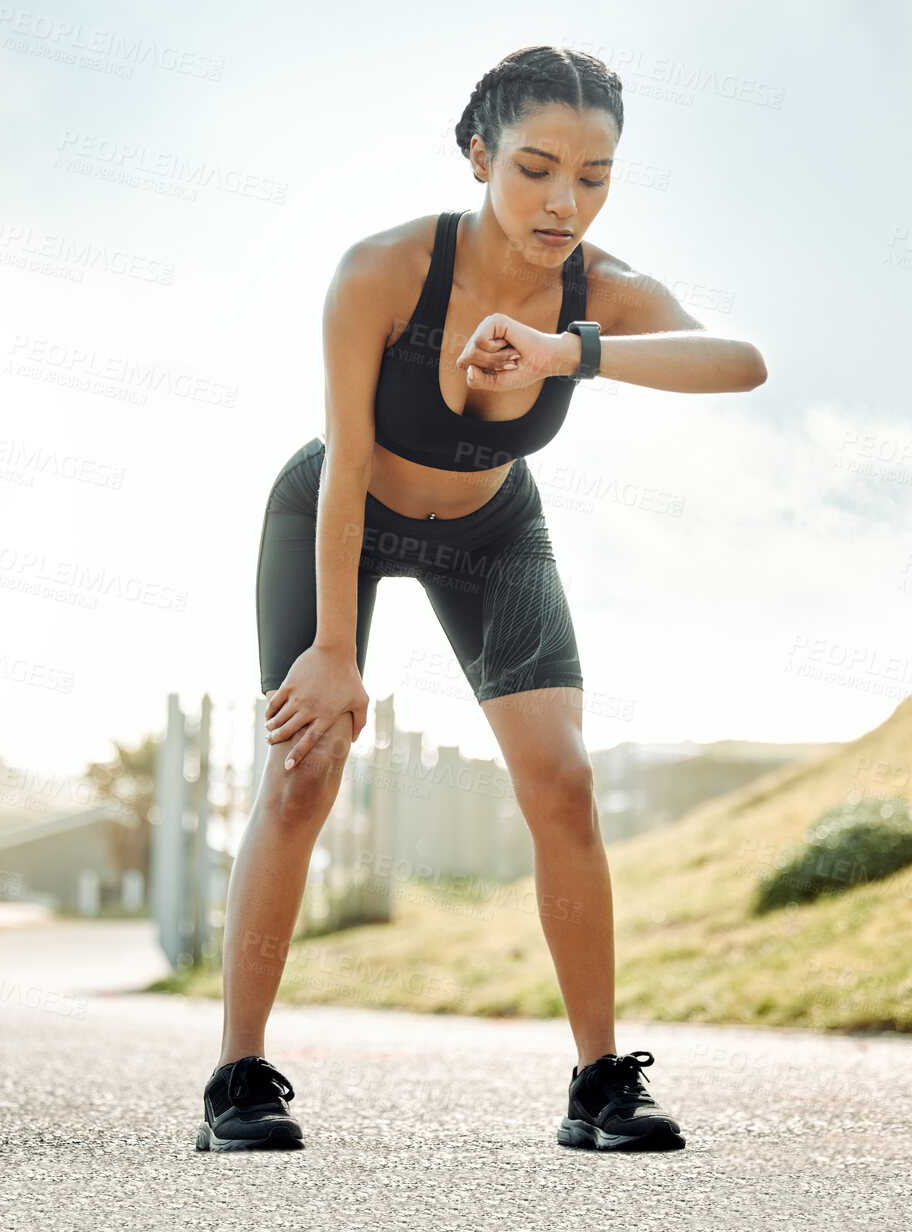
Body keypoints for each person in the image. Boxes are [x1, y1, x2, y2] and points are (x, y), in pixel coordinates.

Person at [201, 45, 767, 1153]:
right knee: (303, 768)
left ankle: (599, 1081)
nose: (564, 201)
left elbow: (738, 361)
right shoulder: (380, 270)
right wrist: (330, 649)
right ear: (478, 154)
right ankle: (237, 1076)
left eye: (594, 176)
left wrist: (569, 352)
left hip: (492, 529)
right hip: (337, 511)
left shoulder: (595, 291)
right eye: (536, 167)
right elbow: (349, 463)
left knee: (562, 782)